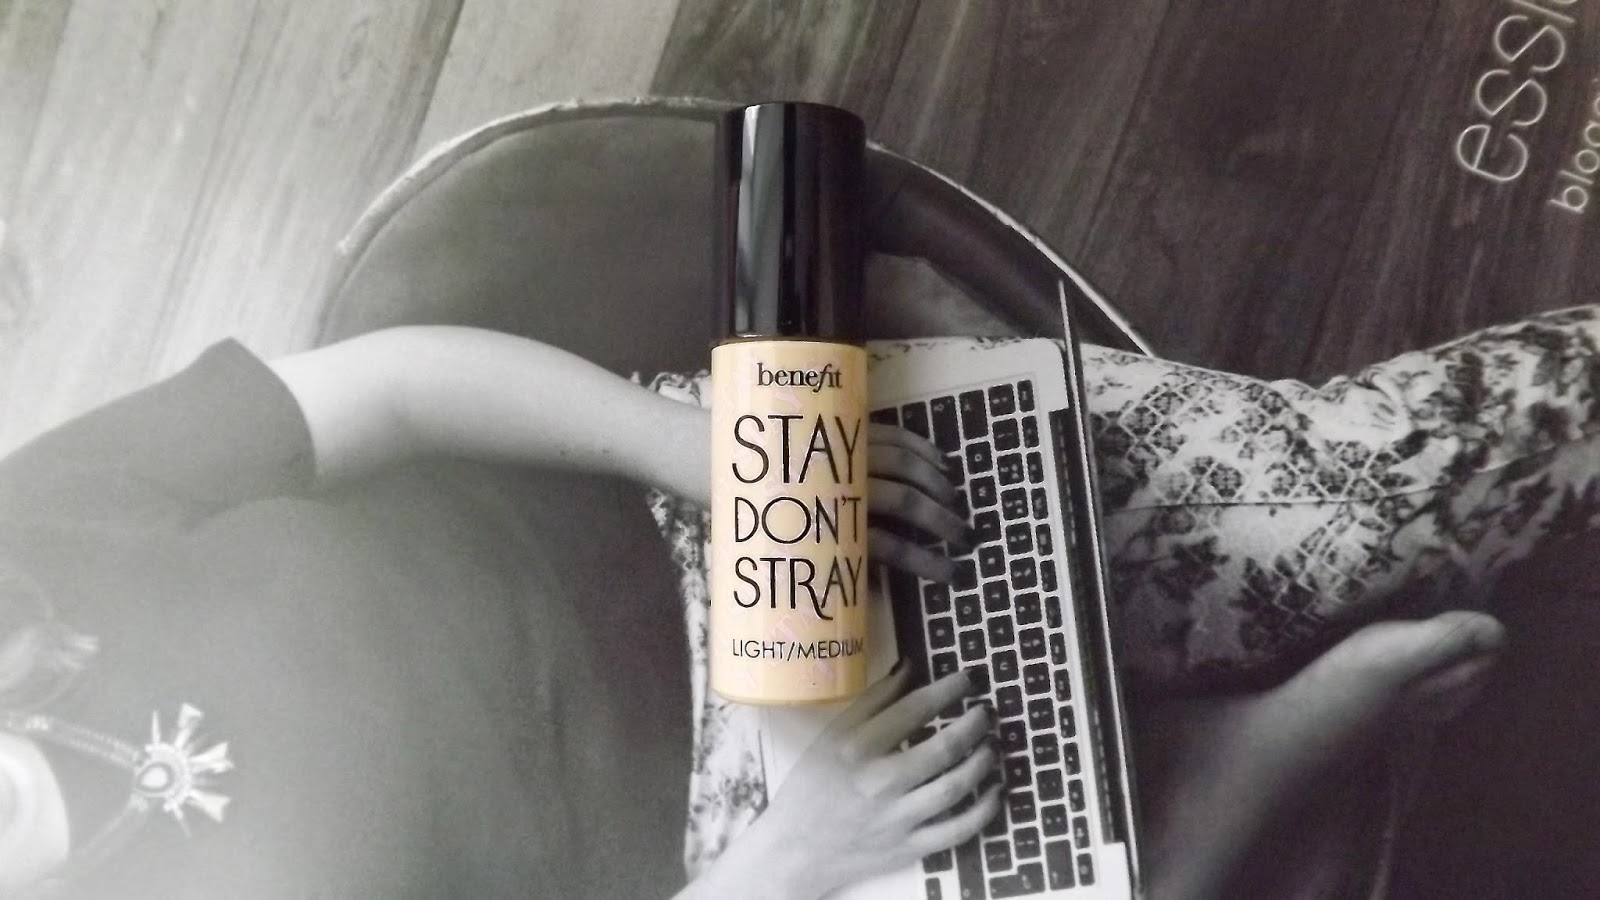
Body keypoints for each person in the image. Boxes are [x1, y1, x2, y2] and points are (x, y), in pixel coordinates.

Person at [0, 302, 1579, 896]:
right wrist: (791, 857)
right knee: (1060, 879)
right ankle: (1248, 764)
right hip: (726, 853)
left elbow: (378, 392)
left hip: (694, 518)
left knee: (1404, 488)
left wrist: (718, 456)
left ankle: (1184, 767)